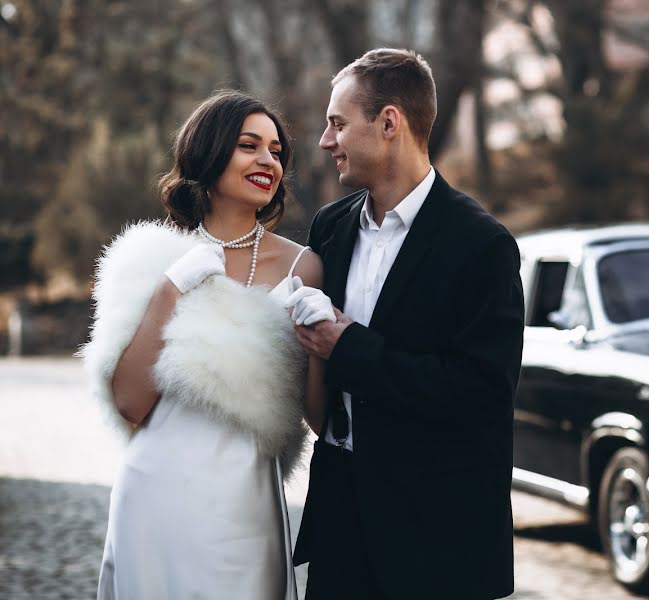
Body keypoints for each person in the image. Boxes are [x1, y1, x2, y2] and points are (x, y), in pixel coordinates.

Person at [285, 48, 525, 600]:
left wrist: (347, 347)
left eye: (338, 124)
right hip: (340, 527)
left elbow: (482, 392)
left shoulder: (482, 245)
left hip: (434, 542)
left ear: (389, 122)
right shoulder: (330, 229)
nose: (326, 141)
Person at [81, 90, 330, 599]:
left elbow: (321, 421)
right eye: (248, 146)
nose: (267, 161)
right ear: (211, 152)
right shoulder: (151, 259)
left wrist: (324, 342)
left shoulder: (304, 267)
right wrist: (169, 291)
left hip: (247, 506)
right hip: (155, 497)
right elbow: (129, 403)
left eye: (276, 151)